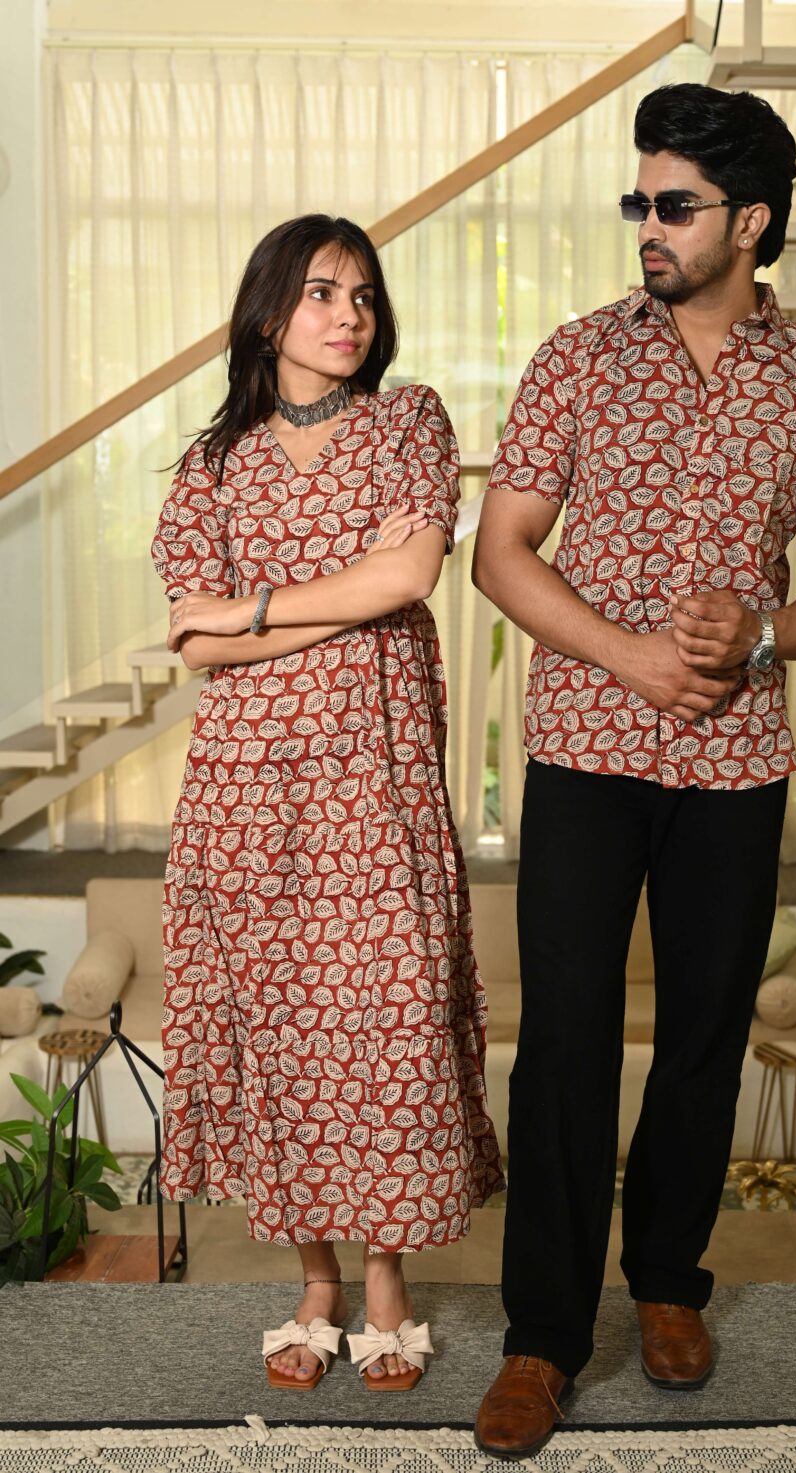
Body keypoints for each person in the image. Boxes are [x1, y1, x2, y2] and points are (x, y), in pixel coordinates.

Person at [472, 82, 796, 1456]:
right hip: (585, 751)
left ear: (748, 222)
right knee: (566, 1041)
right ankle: (541, 1337)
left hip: (737, 763)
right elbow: (502, 554)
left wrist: (762, 634)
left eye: (674, 205)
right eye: (637, 200)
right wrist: (630, 657)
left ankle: (664, 1286)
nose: (645, 224)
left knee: (704, 1035)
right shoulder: (579, 358)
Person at [151, 213, 504, 1395]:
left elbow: (408, 575)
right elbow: (192, 643)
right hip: (246, 790)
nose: (348, 315)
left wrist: (253, 607)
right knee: (279, 1031)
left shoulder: (410, 422)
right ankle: (315, 1285)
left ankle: (387, 1283)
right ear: (267, 314)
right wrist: (332, 596)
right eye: (320, 293)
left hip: (375, 779)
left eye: (361, 294)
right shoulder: (210, 467)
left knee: (382, 1023)